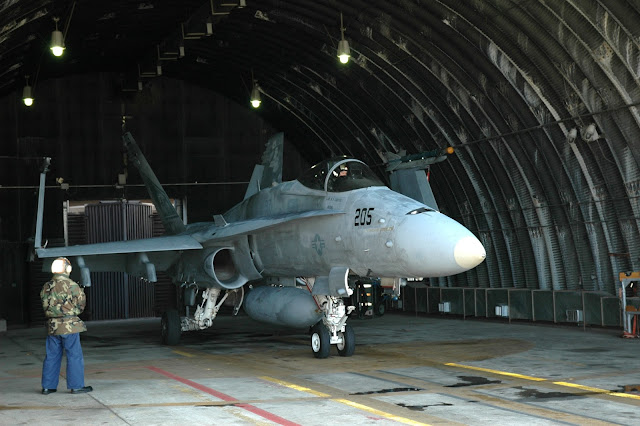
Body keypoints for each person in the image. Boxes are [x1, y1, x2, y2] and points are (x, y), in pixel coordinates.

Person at [40, 257, 93, 394]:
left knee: (51, 356)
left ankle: (48, 387)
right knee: (74, 355)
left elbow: (44, 304)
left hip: (53, 326)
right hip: (69, 326)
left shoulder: (47, 286)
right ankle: (76, 386)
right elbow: (81, 305)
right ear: (67, 269)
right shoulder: (72, 285)